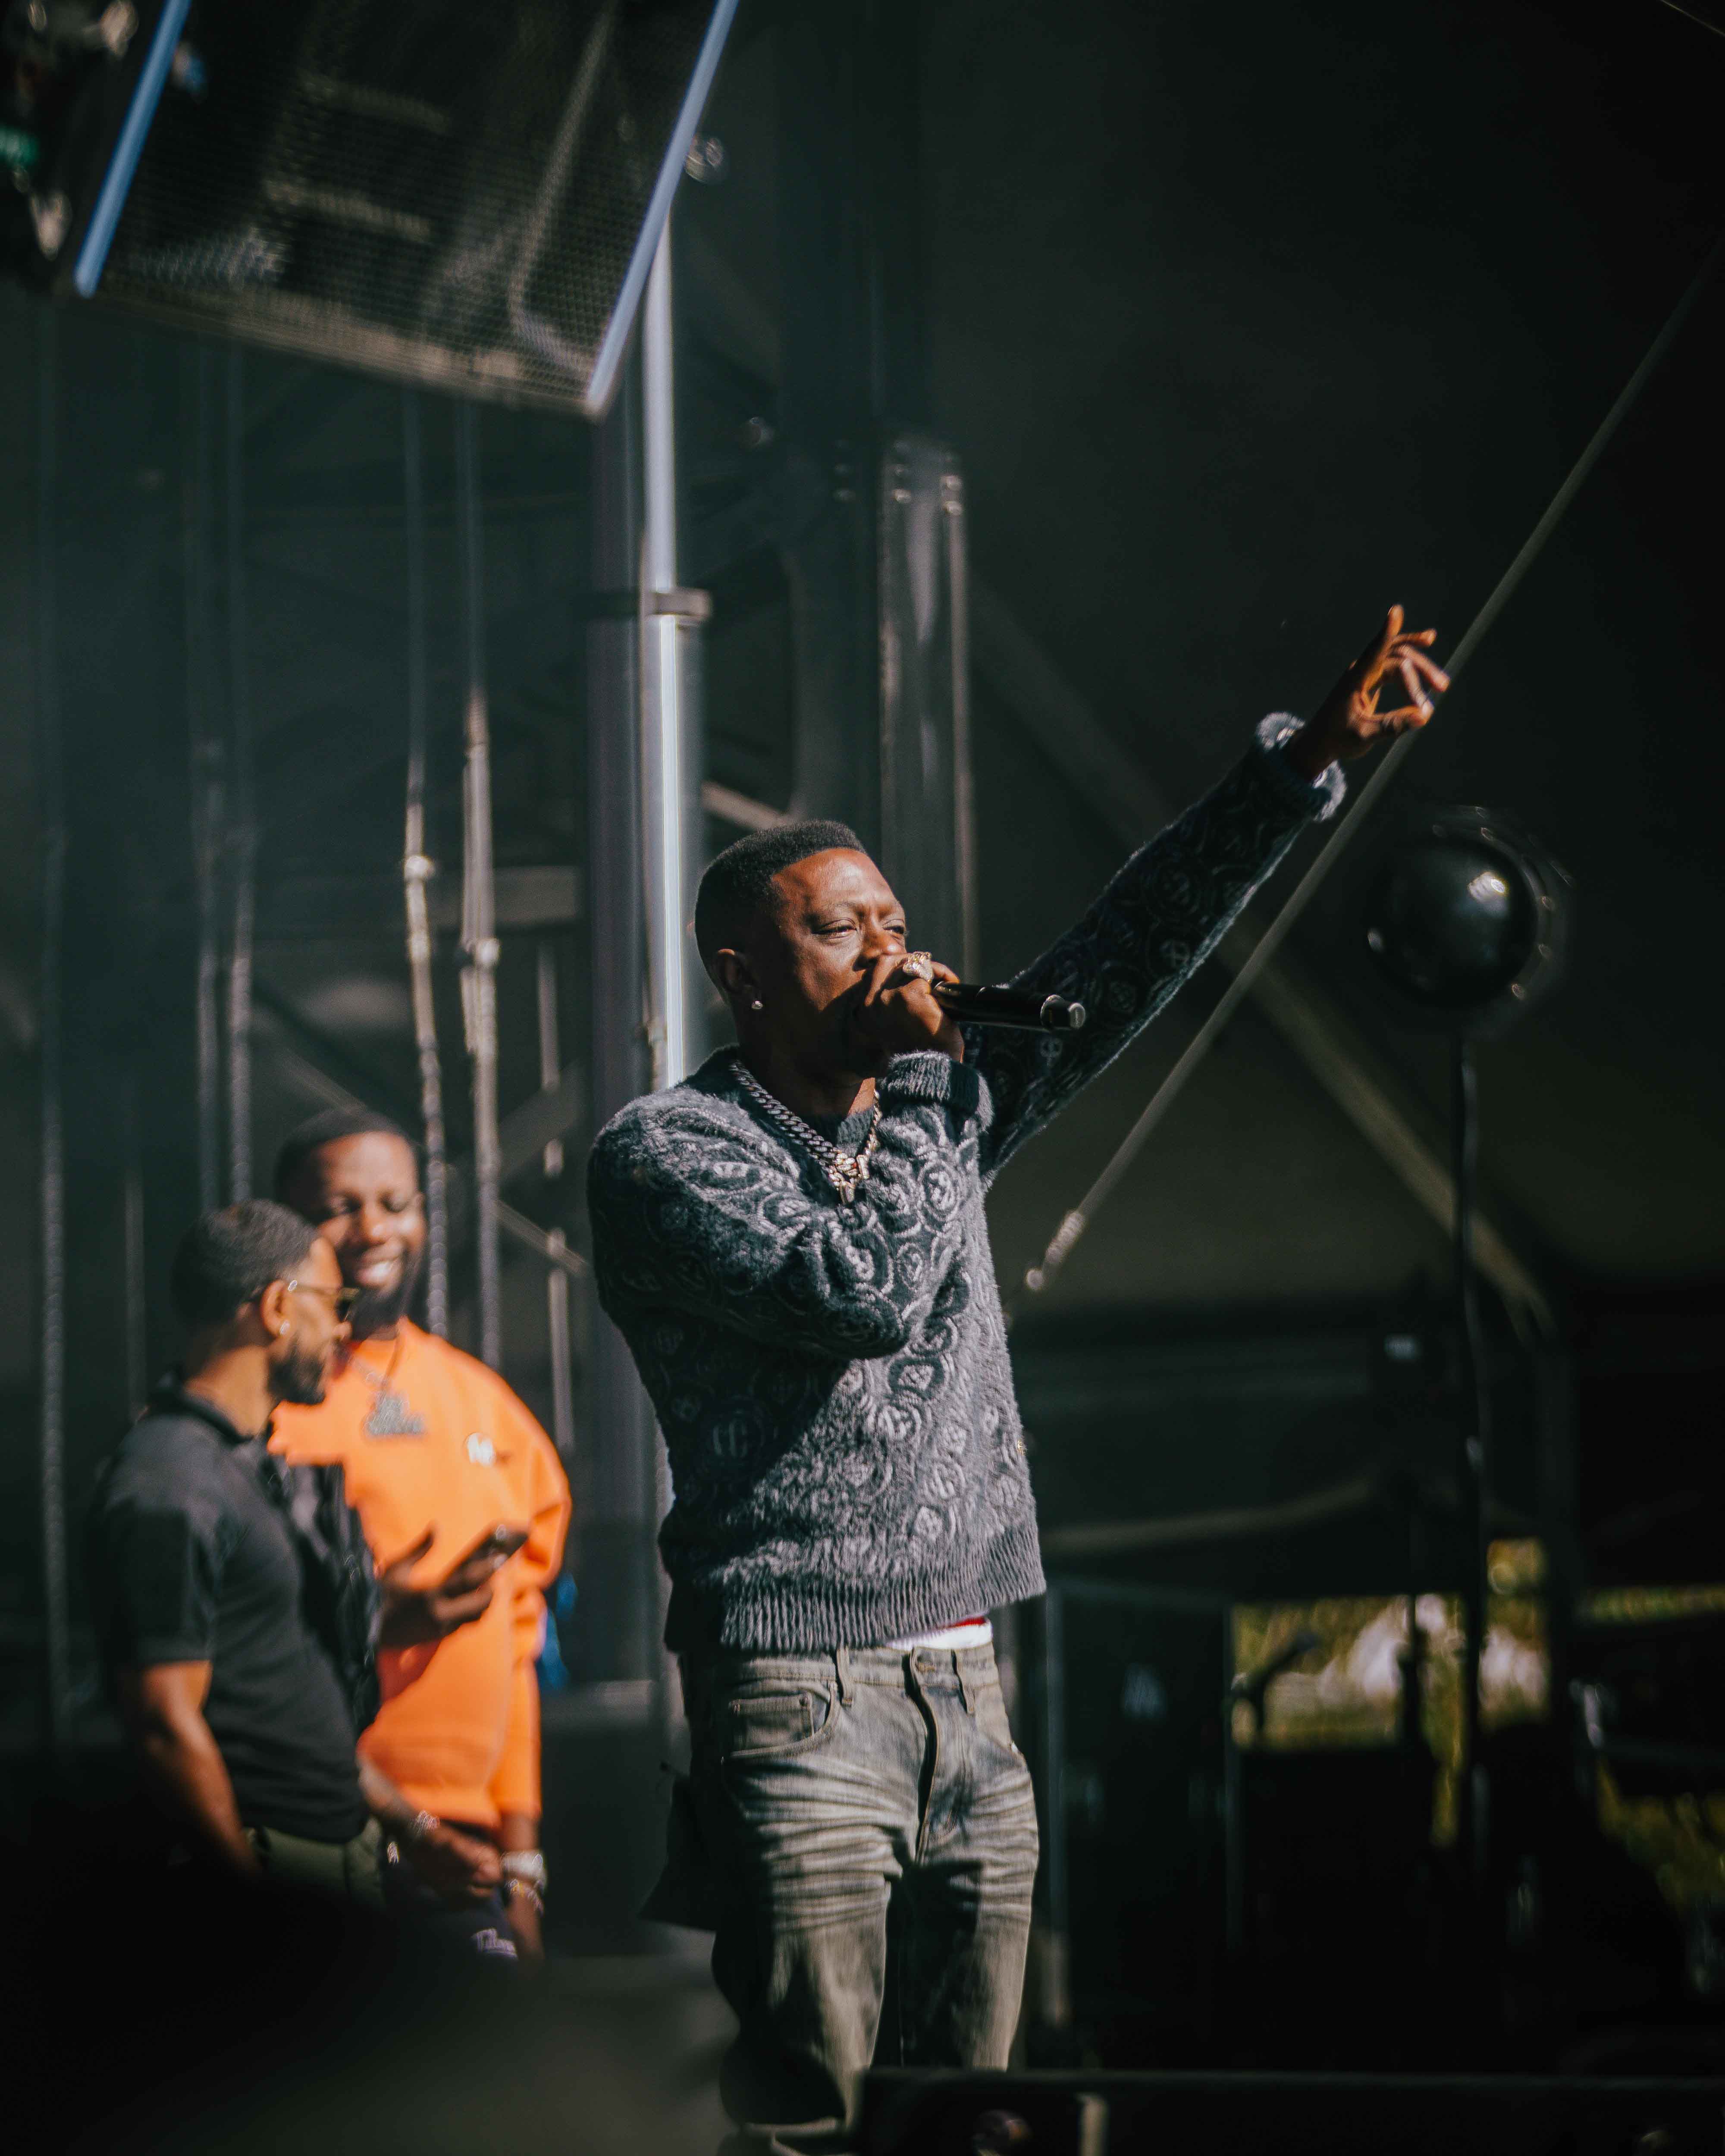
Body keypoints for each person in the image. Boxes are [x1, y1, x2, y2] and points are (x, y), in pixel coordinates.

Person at [587, 609, 1449, 2150]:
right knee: (811, 2113)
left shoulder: (940, 1107)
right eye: (840, 931)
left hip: (972, 1689)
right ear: (743, 974)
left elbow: (1134, 947)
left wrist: (1301, 763)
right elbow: (857, 1292)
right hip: (798, 1697)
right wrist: (934, 1081)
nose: (891, 952)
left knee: (972, 2118)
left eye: (895, 920)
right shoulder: (668, 1154)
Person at [270, 1108, 573, 1962]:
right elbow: (238, 1648)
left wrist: (521, 1867)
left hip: (465, 1855)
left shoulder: (486, 1405)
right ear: (288, 1226)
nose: (373, 1228)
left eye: (395, 1203)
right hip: (316, 1833)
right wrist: (373, 1618)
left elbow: (517, 1646)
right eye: (340, 1207)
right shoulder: (263, 1409)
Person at [85, 1200, 383, 1905]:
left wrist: (419, 1830)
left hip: (331, 1861)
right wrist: (251, 1903)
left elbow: (281, 1681)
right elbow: (163, 1724)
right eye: (334, 1302)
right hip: (275, 1873)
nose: (343, 1327)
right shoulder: (170, 1480)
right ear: (278, 1307)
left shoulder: (241, 1464)